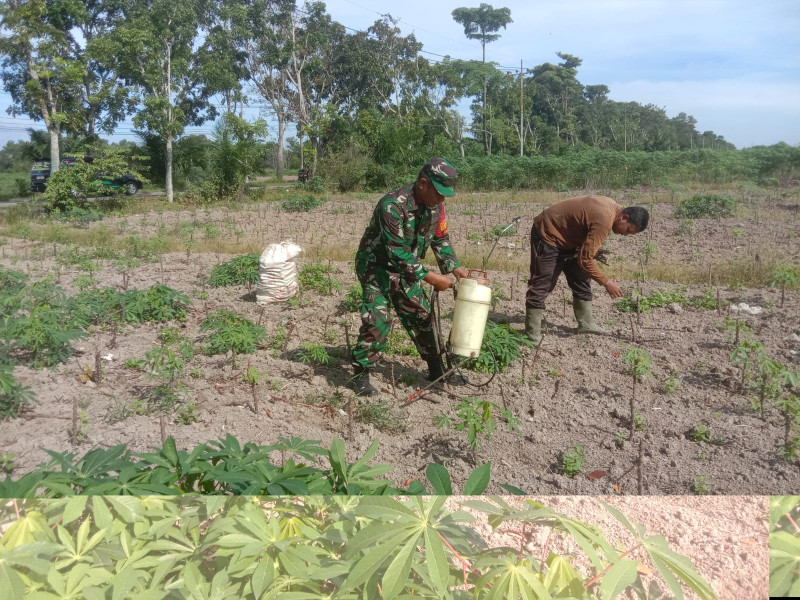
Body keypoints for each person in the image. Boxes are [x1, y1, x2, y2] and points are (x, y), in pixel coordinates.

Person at [350, 157, 468, 396]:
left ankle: (437, 368)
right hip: (376, 265)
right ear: (423, 183)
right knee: (379, 319)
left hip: (407, 267)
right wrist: (431, 277)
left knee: (422, 315)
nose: (442, 199)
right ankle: (360, 375)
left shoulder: (437, 206)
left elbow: (440, 238)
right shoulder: (392, 206)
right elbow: (397, 252)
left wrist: (455, 267)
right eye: (438, 192)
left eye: (446, 194)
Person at [525, 195, 649, 344]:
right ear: (624, 217)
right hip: (548, 234)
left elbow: (584, 235)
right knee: (544, 283)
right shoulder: (605, 219)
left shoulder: (612, 208)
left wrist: (590, 250)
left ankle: (586, 324)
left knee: (581, 278)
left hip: (569, 240)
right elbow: (585, 260)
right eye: (629, 230)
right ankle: (532, 336)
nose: (626, 234)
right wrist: (606, 282)